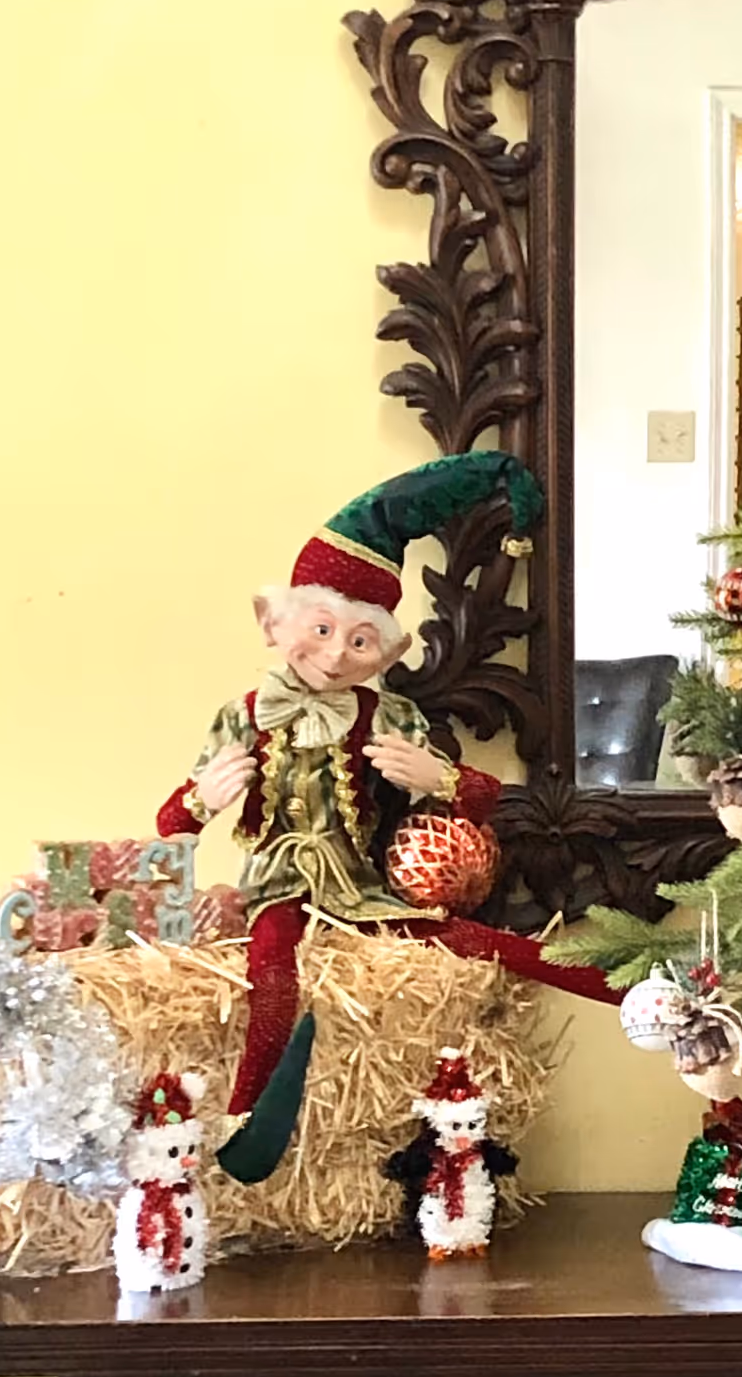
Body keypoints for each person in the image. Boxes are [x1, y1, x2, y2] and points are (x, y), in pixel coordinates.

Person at [156, 449, 611, 1182]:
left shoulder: (386, 715)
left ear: (387, 651)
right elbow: (170, 829)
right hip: (280, 885)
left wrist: (442, 778)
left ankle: (635, 989)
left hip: (361, 889)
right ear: (274, 623)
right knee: (272, 967)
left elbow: (483, 802)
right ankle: (247, 1117)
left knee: (480, 942)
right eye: (322, 630)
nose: (337, 656)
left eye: (360, 640)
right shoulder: (243, 716)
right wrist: (201, 798)